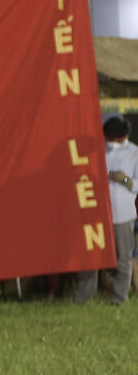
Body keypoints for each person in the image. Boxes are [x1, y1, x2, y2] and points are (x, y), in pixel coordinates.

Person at [75, 116, 137, 304]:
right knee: (90, 255)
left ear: (122, 137)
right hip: (95, 211)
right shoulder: (95, 150)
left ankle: (119, 297)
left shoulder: (134, 152)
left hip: (123, 214)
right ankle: (84, 296)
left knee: (123, 256)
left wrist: (124, 179)